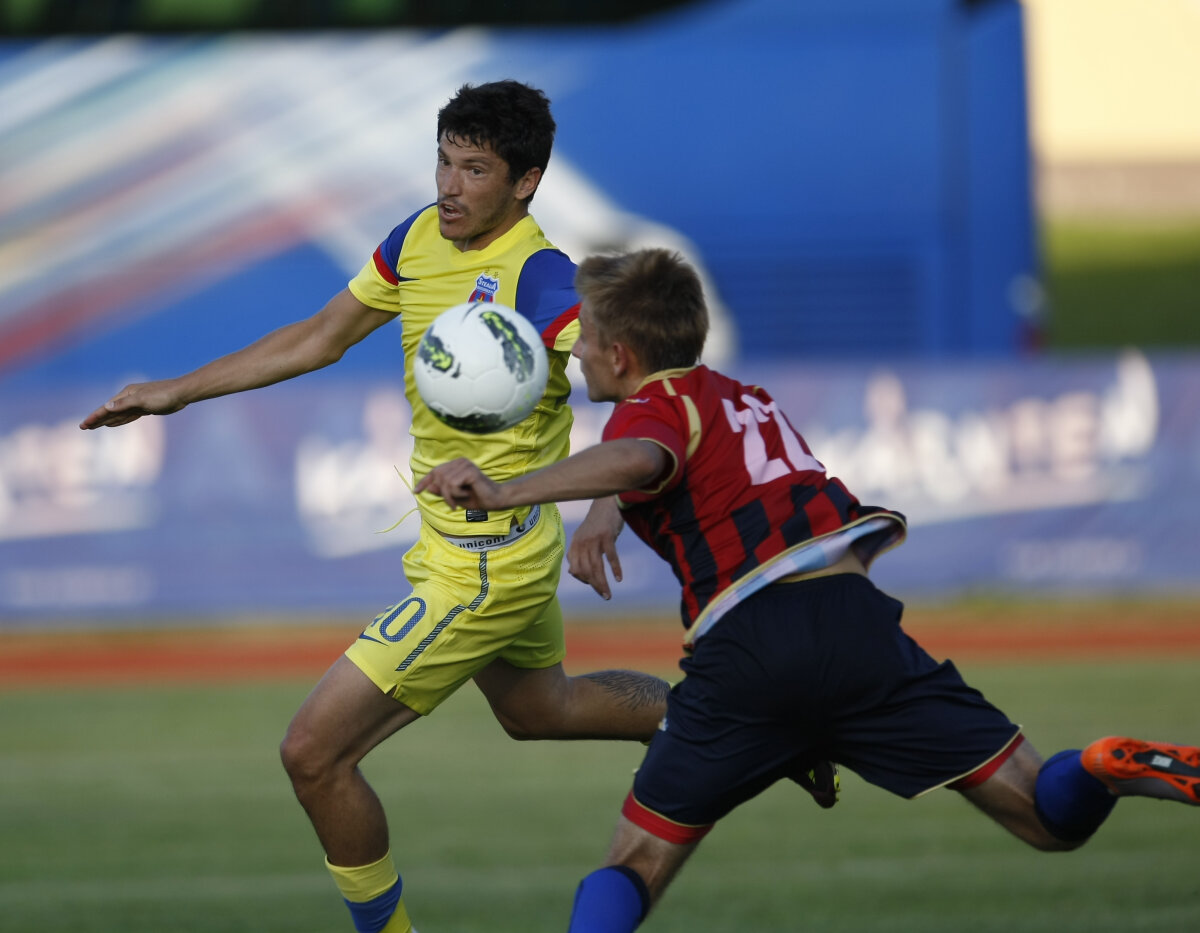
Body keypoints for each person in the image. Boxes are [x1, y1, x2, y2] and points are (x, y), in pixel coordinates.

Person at [416, 247, 1200, 932]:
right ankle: (1101, 764)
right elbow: (665, 461)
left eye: (584, 337)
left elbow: (642, 457)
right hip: (857, 625)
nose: (574, 351)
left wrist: (506, 489)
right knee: (1045, 816)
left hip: (749, 647)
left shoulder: (651, 412)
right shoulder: (742, 398)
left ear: (621, 355)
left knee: (635, 862)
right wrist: (605, 514)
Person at [78, 80, 680, 933]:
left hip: (486, 559)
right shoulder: (419, 238)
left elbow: (632, 380)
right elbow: (320, 336)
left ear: (526, 181)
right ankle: (724, 718)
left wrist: (609, 504)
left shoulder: (540, 275)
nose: (449, 185)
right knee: (542, 709)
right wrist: (178, 391)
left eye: (475, 169)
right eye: (443, 159)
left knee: (313, 753)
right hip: (459, 541)